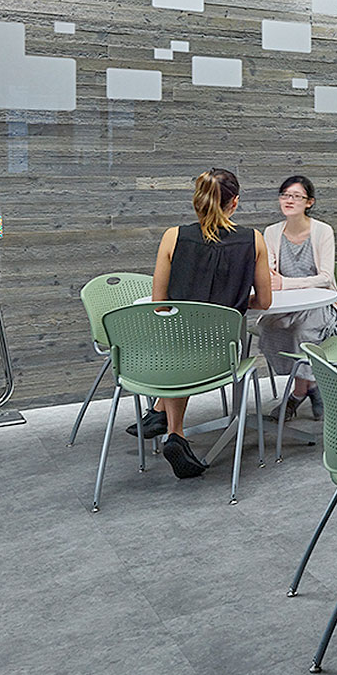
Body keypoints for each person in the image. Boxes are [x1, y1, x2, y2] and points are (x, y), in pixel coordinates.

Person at [140, 168, 273, 479]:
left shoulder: (173, 236)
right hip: (224, 357)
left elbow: (159, 305)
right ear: (235, 203)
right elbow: (264, 302)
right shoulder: (254, 239)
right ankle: (166, 424)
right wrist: (235, 303)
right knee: (189, 349)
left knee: (179, 349)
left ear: (196, 201)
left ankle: (172, 427)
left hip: (178, 357)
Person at [259, 175, 337, 422]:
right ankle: (312, 387)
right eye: (285, 195)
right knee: (267, 327)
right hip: (288, 304)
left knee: (301, 332)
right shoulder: (272, 232)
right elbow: (270, 272)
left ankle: (296, 395)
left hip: (320, 303)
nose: (289, 200)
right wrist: (274, 280)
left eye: (297, 196)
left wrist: (286, 283)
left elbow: (326, 278)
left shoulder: (323, 231)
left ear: (309, 202)